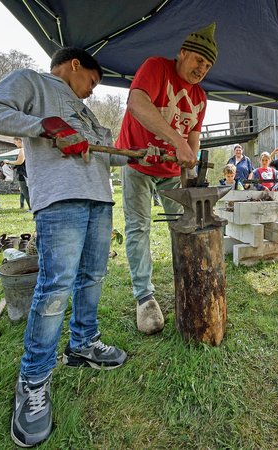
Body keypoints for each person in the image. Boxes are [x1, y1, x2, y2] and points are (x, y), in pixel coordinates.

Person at [0, 47, 128, 447]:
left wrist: (136, 155)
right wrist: (46, 126)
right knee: (56, 285)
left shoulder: (87, 113)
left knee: (93, 276)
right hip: (60, 198)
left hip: (100, 198)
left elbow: (105, 158)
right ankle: (34, 378)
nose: (92, 92)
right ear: (75, 65)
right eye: (92, 82)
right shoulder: (33, 82)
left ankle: (83, 344)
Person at [114, 22, 217, 335]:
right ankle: (144, 299)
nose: (202, 68)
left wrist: (192, 169)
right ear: (183, 53)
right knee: (138, 227)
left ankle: (186, 281)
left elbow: (194, 138)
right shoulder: (156, 67)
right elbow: (137, 104)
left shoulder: (200, 96)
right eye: (198, 60)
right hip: (137, 162)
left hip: (173, 172)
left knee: (185, 228)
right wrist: (177, 140)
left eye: (208, 65)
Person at [4, 137, 31, 210]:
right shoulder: (28, 148)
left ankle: (31, 208)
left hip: (23, 173)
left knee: (25, 191)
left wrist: (8, 162)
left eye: (15, 142)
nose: (15, 144)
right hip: (28, 172)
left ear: (19, 141)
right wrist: (14, 167)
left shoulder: (22, 149)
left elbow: (20, 161)